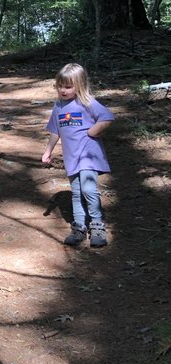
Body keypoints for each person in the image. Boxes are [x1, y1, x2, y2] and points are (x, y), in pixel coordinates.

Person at [41, 63, 114, 247]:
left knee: (88, 189)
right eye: (60, 86)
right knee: (76, 192)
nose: (63, 90)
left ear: (79, 85)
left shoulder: (86, 102)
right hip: (71, 157)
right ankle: (79, 228)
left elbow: (107, 117)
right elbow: (55, 131)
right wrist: (48, 150)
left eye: (68, 86)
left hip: (88, 155)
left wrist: (92, 132)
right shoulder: (58, 106)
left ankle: (97, 227)